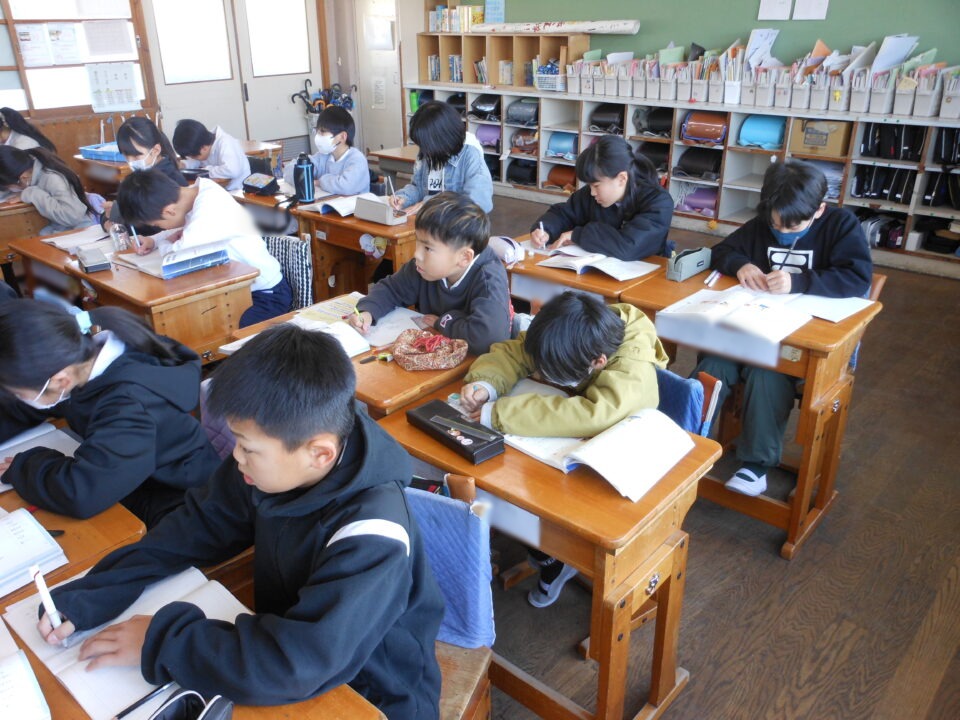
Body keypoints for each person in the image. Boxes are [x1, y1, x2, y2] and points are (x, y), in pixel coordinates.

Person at [39, 326, 444, 720]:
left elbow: (298, 664)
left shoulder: (374, 534)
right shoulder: (275, 462)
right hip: (285, 654)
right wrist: (98, 589)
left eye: (247, 448)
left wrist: (161, 641)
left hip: (372, 693)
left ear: (319, 454)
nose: (236, 457)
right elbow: (197, 525)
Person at [459, 291, 668, 606]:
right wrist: (486, 383)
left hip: (614, 470)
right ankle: (545, 550)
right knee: (509, 480)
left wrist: (500, 413)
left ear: (597, 362)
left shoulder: (631, 368)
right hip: (562, 448)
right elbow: (518, 352)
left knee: (525, 489)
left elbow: (595, 414)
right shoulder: (572, 332)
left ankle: (557, 555)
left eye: (551, 371)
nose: (541, 373)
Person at [693, 160, 872, 498]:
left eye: (793, 226)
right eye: (776, 224)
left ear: (819, 210)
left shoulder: (841, 225)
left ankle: (756, 465)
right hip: (750, 328)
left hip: (799, 341)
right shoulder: (764, 223)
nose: (782, 231)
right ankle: (685, 441)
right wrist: (741, 264)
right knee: (713, 366)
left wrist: (799, 281)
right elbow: (722, 251)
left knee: (767, 373)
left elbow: (857, 277)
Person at [0, 301, 220, 527]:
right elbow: (26, 407)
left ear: (59, 381)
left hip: (184, 507)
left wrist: (26, 466)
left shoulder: (129, 406)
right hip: (132, 480)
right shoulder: (81, 362)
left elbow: (82, 493)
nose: (17, 398)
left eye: (18, 393)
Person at [117, 169, 290, 327]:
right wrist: (153, 240)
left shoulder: (209, 211)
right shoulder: (196, 194)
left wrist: (163, 243)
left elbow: (176, 254)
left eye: (156, 224)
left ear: (169, 211)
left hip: (265, 295)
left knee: (221, 334)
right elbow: (179, 230)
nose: (159, 228)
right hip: (233, 289)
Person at [349, 192, 510, 355]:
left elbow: (487, 338)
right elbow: (391, 289)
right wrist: (367, 311)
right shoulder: (424, 267)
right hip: (435, 352)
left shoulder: (488, 279)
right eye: (417, 242)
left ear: (464, 257)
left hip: (473, 362)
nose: (417, 254)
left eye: (427, 248)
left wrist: (444, 322)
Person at [529, 135, 673, 260]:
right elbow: (564, 214)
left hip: (647, 273)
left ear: (622, 178)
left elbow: (629, 246)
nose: (592, 192)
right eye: (590, 185)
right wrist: (545, 229)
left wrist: (578, 235)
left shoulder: (659, 202)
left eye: (596, 185)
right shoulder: (591, 195)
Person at [391, 101, 493, 213]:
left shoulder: (471, 155)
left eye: (426, 144)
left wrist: (430, 204)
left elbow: (478, 204)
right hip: (430, 220)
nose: (424, 151)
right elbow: (418, 187)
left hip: (456, 223)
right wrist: (404, 197)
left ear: (441, 139)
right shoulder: (428, 151)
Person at [102, 116, 187, 232]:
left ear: (156, 150)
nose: (131, 162)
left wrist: (116, 220)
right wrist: (110, 215)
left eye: (136, 156)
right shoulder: (142, 179)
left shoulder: (168, 180)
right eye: (126, 156)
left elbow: (155, 226)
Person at [0, 146, 95, 232]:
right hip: (60, 230)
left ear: (23, 177)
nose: (9, 190)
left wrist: (32, 193)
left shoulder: (52, 178)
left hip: (78, 233)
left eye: (8, 187)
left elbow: (72, 216)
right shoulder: (33, 171)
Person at [282, 106, 369, 196]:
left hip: (352, 205)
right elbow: (290, 170)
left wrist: (319, 182)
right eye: (317, 131)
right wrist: (305, 178)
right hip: (327, 203)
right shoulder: (323, 156)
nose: (318, 135)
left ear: (342, 137)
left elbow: (346, 186)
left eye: (323, 131)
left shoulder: (357, 159)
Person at [172, 119, 250, 191]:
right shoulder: (203, 142)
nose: (192, 158)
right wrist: (184, 165)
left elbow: (232, 171)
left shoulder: (225, 143)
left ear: (204, 148)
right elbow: (196, 161)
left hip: (239, 192)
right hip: (221, 189)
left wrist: (205, 171)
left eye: (193, 156)